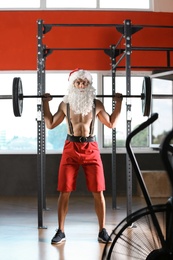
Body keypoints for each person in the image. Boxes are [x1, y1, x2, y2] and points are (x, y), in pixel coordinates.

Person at [42, 68, 123, 244]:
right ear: (72, 84)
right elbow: (49, 124)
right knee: (65, 191)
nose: (81, 85)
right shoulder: (65, 104)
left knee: (98, 191)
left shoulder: (97, 104)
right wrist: (46, 104)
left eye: (84, 83)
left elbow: (111, 123)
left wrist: (118, 104)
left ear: (89, 85)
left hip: (91, 148)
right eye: (78, 83)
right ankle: (61, 231)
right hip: (71, 147)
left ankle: (102, 230)